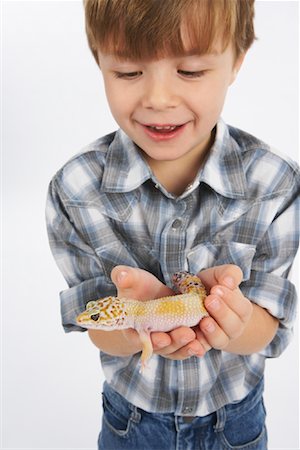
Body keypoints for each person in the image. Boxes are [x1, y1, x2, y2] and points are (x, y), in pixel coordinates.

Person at [46, 1, 299, 449]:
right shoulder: (75, 188)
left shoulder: (275, 181)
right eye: (127, 72)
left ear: (237, 61)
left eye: (191, 71)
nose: (158, 99)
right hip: (131, 422)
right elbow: (99, 333)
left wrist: (233, 323)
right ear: (99, 60)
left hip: (236, 421)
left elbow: (271, 327)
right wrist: (131, 328)